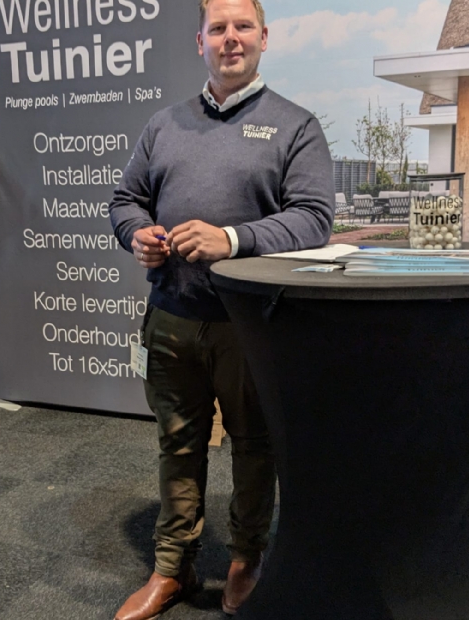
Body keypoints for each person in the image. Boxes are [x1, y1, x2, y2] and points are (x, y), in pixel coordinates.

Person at [108, 0, 335, 617]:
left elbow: (314, 219)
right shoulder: (164, 124)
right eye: (218, 28)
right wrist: (136, 234)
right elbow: (126, 200)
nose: (230, 38)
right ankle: (172, 568)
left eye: (242, 27)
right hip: (171, 317)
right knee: (177, 443)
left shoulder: (295, 125)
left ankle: (244, 561)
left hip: (251, 326)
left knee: (254, 446)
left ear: (264, 37)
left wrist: (231, 240)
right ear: (200, 42)